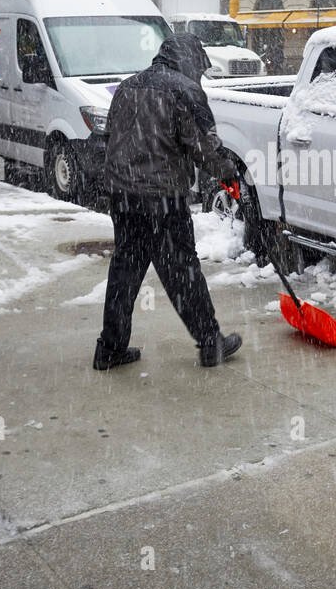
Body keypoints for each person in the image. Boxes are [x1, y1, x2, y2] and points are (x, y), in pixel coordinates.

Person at [94, 33, 243, 370]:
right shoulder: (185, 91)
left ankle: (110, 348)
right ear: (190, 60)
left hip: (123, 196)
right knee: (183, 272)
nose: (200, 77)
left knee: (125, 271)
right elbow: (204, 146)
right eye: (200, 69)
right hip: (162, 198)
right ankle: (210, 344)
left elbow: (109, 138)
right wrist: (229, 173)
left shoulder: (128, 86)